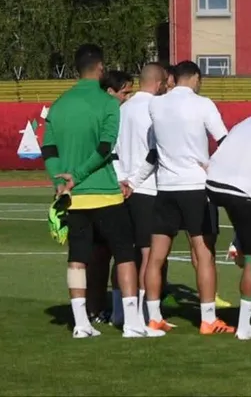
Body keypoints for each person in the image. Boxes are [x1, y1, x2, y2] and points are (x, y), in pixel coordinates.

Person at [41, 44, 160, 338]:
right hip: (105, 192)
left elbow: (48, 149)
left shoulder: (59, 104)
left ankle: (82, 324)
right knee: (125, 255)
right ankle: (132, 323)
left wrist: (61, 181)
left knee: (77, 257)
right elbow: (105, 148)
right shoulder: (107, 103)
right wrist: (78, 176)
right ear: (101, 68)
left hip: (74, 197)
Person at [128, 60, 233, 335]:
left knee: (156, 257)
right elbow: (225, 141)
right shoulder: (203, 104)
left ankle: (153, 316)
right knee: (204, 254)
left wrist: (134, 181)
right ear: (195, 78)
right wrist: (215, 167)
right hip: (197, 187)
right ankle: (208, 318)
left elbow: (155, 151)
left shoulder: (156, 105)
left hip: (166, 188)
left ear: (172, 78)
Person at [205, 105, 251, 340]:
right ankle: (245, 326)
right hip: (242, 191)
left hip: (210, 183)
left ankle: (205, 314)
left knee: (204, 246)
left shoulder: (248, 121)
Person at [112, 63, 167, 328]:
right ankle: (145, 314)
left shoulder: (123, 108)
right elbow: (154, 153)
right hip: (147, 188)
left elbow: (111, 150)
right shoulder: (155, 109)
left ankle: (118, 311)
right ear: (158, 83)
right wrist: (134, 181)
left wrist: (122, 178)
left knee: (124, 253)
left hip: (122, 188)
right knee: (149, 254)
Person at [85, 69, 135, 325]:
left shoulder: (117, 112)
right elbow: (106, 151)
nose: (128, 97)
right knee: (113, 253)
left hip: (105, 187)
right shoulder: (107, 114)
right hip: (106, 190)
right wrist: (121, 179)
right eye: (124, 92)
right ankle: (113, 313)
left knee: (100, 254)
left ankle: (100, 311)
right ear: (110, 92)